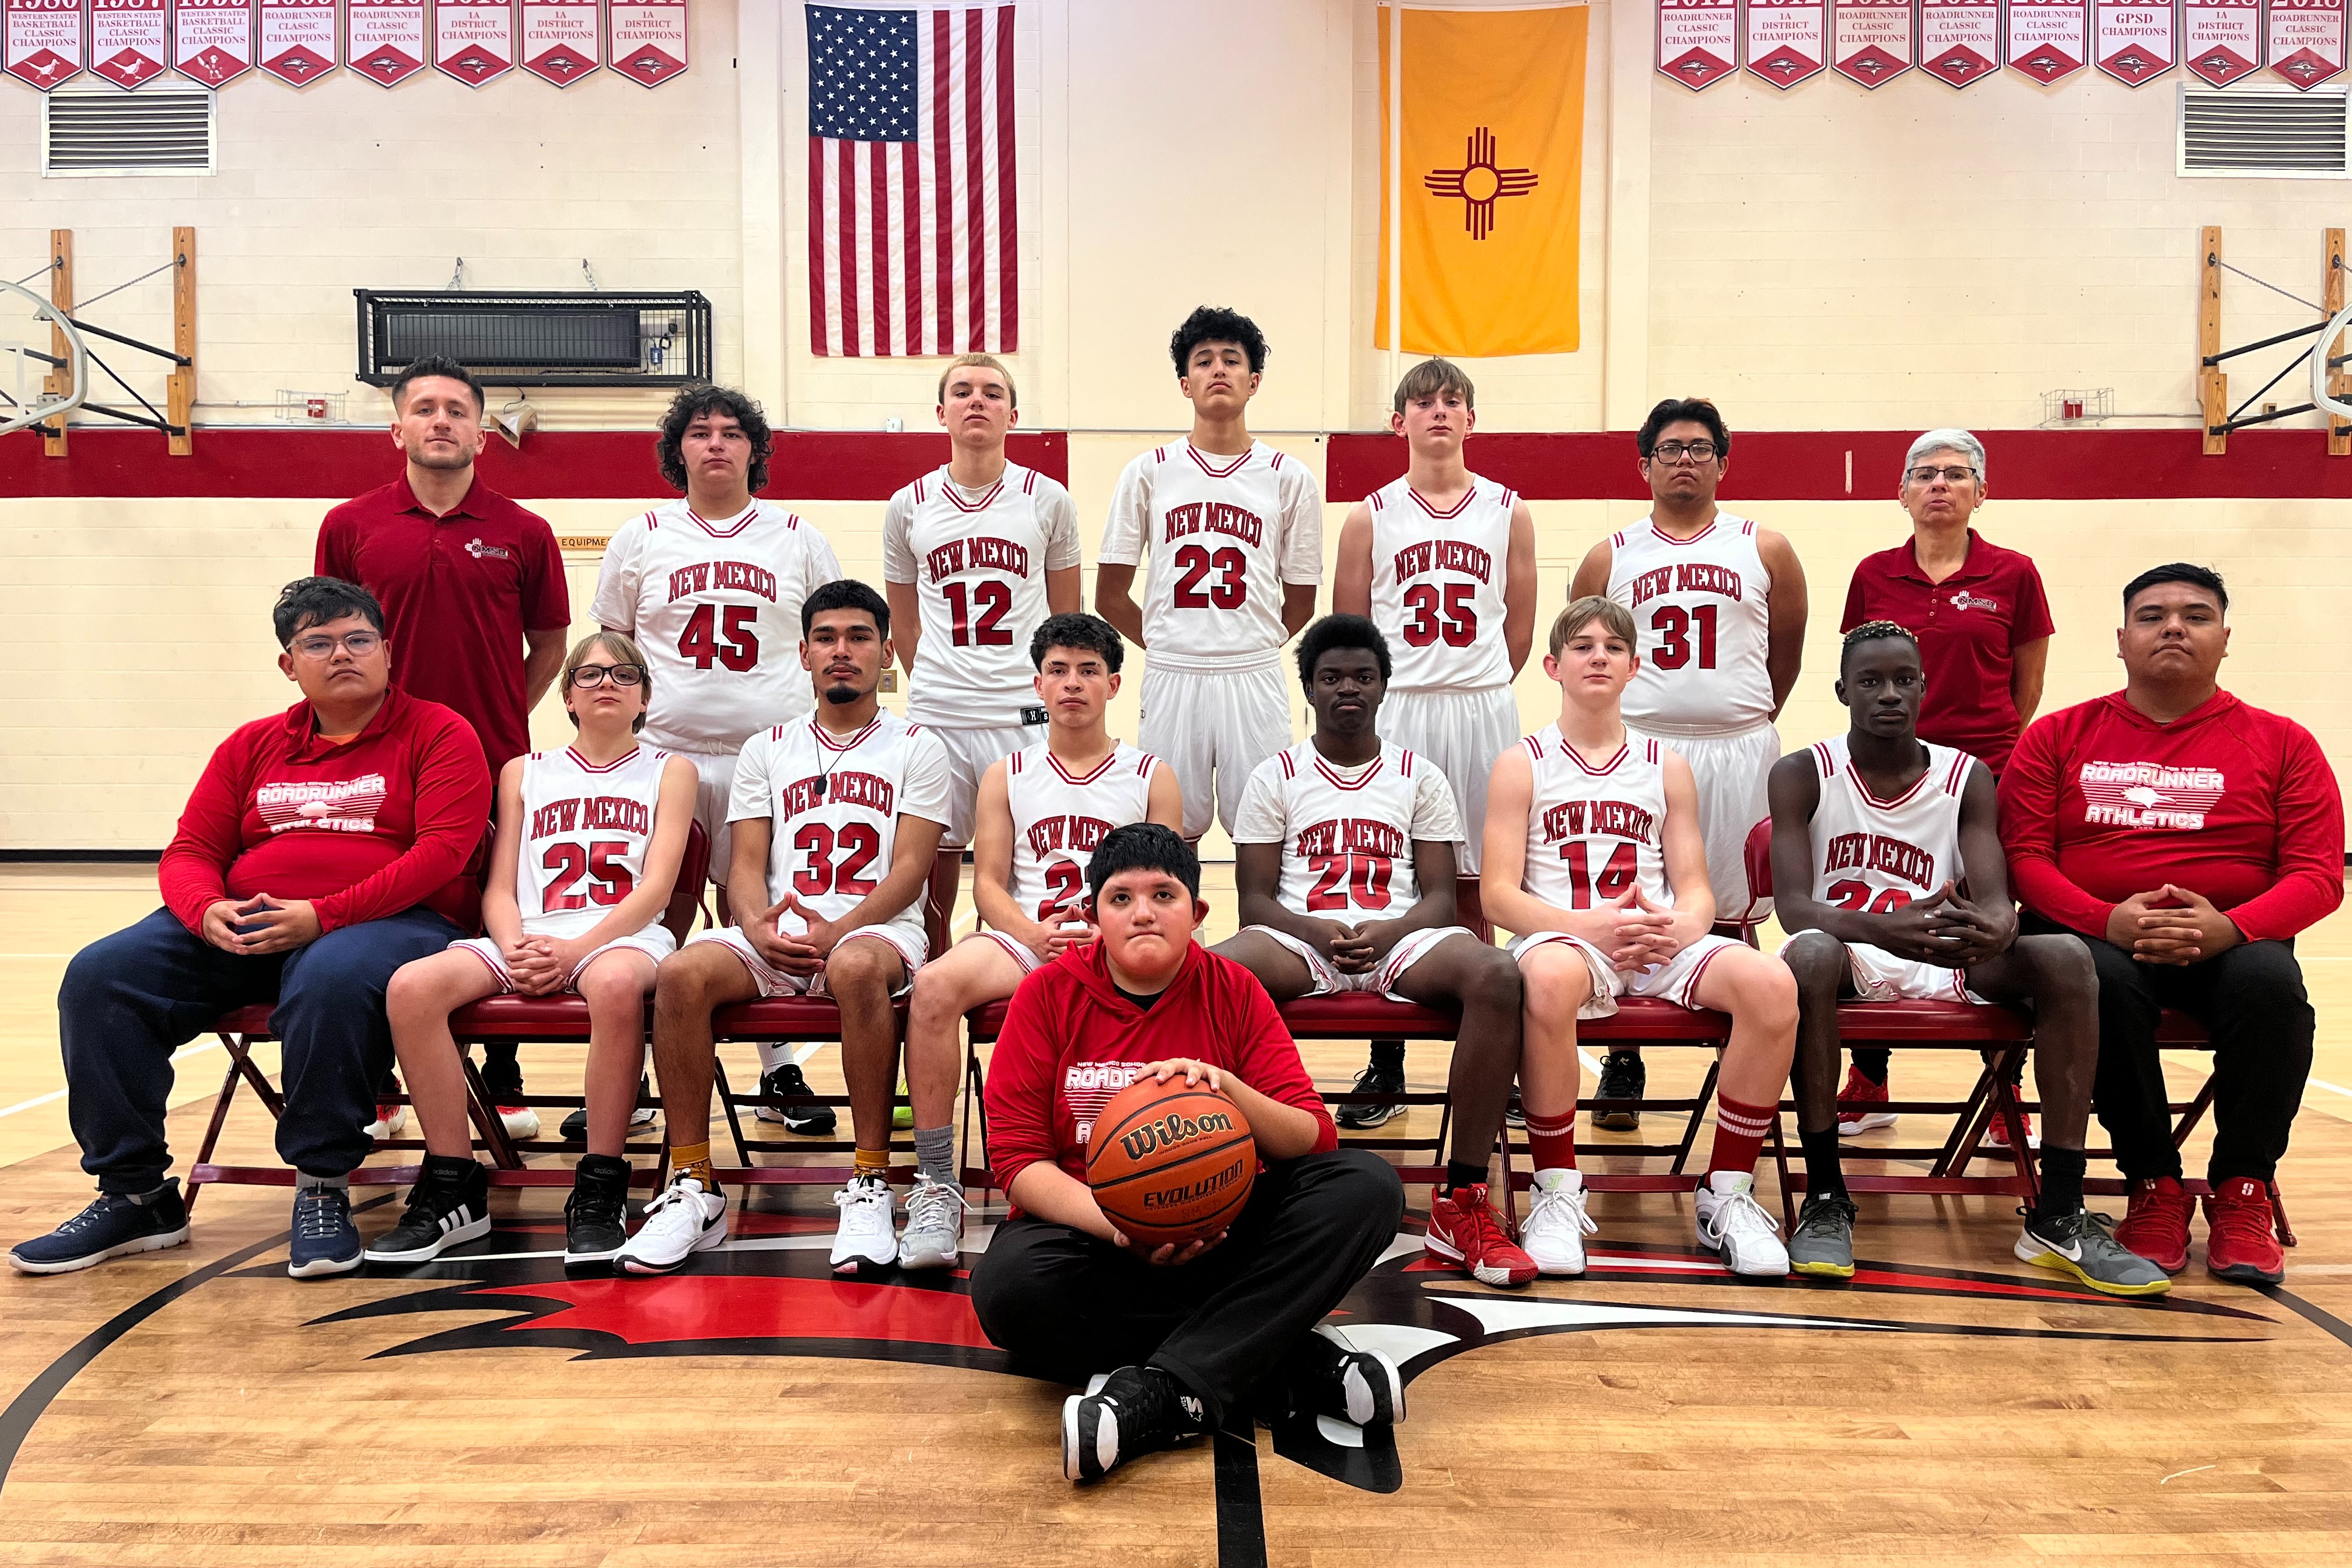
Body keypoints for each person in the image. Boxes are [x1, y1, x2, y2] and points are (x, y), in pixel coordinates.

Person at [11, 578, 491, 1279]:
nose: (342, 654)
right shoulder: (252, 744)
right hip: (249, 924)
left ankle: (323, 1185)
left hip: (394, 924)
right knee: (102, 975)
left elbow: (442, 853)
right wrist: (205, 910)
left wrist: (323, 915)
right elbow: (190, 851)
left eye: (359, 640)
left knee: (331, 975)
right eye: (318, 644)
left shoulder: (440, 732)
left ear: (389, 651)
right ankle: (136, 1194)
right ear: (288, 664)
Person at [970, 824, 1407, 1481]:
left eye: (1163, 895)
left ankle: (1169, 1395)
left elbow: (1315, 1136)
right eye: (1121, 899)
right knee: (1006, 1290)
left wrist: (1230, 1089)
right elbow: (1018, 1162)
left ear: (1198, 914)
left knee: (1366, 1187)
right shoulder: (1046, 995)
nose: (1143, 912)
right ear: (1092, 916)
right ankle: (1278, 1358)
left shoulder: (1233, 988)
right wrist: (1122, 1227)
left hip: (1224, 1232)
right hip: (1099, 1239)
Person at [1768, 624, 2166, 1294]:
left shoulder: (1966, 776)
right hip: (1848, 951)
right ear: (1842, 691)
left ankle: (2059, 1211)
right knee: (1806, 954)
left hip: (1947, 954)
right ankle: (1826, 1196)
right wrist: (1882, 929)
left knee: (2068, 956)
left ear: (1924, 687)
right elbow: (1795, 909)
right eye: (1870, 681)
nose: (1889, 694)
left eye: (1903, 680)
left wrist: (1998, 925)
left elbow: (1994, 897)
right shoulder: (1803, 771)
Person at [2001, 564, 2344, 1286]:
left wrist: (2233, 928)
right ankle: (2152, 1185)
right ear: (2122, 641)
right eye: (2153, 617)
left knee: (2273, 985)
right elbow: (2025, 858)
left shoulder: (2285, 742)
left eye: (2196, 615)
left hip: (2231, 941)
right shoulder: (2056, 737)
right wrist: (2105, 919)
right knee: (2098, 981)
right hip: (2096, 938)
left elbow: (2317, 875)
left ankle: (2243, 1190)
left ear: (2225, 640)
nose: (2175, 628)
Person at [615, 580, 953, 1278]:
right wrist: (752, 922)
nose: (842, 651)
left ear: (887, 652)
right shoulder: (766, 748)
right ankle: (694, 1184)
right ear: (802, 653)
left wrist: (841, 930)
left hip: (878, 928)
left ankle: (868, 1180)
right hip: (779, 932)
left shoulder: (918, 746)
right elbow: (744, 866)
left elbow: (913, 869)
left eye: (859, 637)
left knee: (857, 968)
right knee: (680, 974)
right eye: (826, 638)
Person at [1480, 597, 1798, 1278]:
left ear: (1634, 668)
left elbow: (1696, 887)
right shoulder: (1522, 762)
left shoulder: (1666, 764)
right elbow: (1499, 895)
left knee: (1773, 985)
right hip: (1565, 938)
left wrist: (1676, 930)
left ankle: (1728, 1194)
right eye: (1583, 646)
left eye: (1614, 648)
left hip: (1656, 942)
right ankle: (1557, 1190)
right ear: (1553, 666)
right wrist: (1591, 925)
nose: (1599, 656)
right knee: (1545, 980)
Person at [1212, 615, 1532, 1287]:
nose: (1347, 689)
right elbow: (1256, 902)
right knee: (1220, 971)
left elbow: (1442, 900)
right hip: (1302, 938)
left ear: (1384, 686)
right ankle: (1226, 1176)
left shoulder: (1420, 775)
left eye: (1362, 676)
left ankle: (1464, 1200)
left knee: (1498, 973)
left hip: (1399, 938)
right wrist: (1317, 932)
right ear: (1309, 689)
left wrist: (1384, 934)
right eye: (1331, 678)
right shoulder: (1276, 775)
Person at [367, 632, 697, 1269]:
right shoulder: (524, 770)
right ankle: (453, 1183)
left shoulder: (670, 770)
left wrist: (576, 951)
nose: (607, 682)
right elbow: (498, 885)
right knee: (412, 987)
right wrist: (516, 947)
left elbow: (657, 885)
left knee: (614, 985)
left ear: (645, 698)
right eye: (591, 673)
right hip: (529, 932)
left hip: (622, 935)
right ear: (568, 696)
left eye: (625, 674)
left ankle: (601, 1183)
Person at [317, 355, 570, 1139]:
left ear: (482, 434)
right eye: (424, 408)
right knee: (383, 909)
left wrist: (486, 726)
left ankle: (501, 1074)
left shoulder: (524, 531)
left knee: (490, 907)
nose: (440, 421)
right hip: (375, 758)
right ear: (397, 428)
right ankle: (383, 1083)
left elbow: (550, 645)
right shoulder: (350, 525)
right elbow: (327, 639)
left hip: (494, 758)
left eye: (457, 410)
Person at [592, 384, 845, 1139]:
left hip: (767, 759)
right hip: (664, 757)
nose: (715, 444)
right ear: (678, 450)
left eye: (732, 433)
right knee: (654, 913)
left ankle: (779, 1070)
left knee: (760, 912)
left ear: (754, 452)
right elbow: (612, 652)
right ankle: (629, 1074)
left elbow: (835, 636)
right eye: (699, 432)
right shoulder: (639, 536)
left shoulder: (797, 536)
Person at [901, 613, 1182, 1263]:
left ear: (1114, 684)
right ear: (1038, 683)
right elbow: (988, 885)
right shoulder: (1007, 773)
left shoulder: (1149, 774)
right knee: (936, 984)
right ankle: (939, 1185)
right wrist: (1031, 933)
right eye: (1058, 671)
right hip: (1029, 937)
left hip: (1120, 944)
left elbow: (1169, 885)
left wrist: (1110, 938)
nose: (1072, 684)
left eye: (1088, 671)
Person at [1569, 398, 1807, 1128]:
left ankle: (1744, 1054)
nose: (1685, 460)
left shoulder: (1765, 547)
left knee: (1733, 911)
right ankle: (1624, 1060)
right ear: (1644, 465)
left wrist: (1744, 712)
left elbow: (1784, 658)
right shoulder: (1610, 555)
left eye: (1701, 449)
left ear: (1723, 463)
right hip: (1638, 747)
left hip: (1737, 746)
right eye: (1670, 449)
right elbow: (1590, 653)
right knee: (1634, 905)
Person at [1330, 358, 1537, 1128]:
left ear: (1472, 419)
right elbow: (1351, 635)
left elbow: (1517, 627)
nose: (1440, 412)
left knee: (1487, 883)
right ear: (1400, 422)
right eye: (1424, 402)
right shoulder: (1370, 515)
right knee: (1394, 882)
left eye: (1454, 401)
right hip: (1403, 708)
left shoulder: (1509, 510)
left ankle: (1489, 1060)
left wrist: (1476, 683)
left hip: (1481, 705)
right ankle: (1386, 1063)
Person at [1836, 430, 2056, 1136]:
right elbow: (1862, 668)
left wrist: (1975, 761)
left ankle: (2003, 1088)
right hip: (1891, 773)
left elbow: (2028, 686)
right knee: (1883, 901)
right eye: (1924, 474)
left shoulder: (2015, 573)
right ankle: (1869, 1077)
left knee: (1995, 920)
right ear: (1901, 493)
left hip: (1986, 772)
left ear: (1980, 492)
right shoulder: (1874, 573)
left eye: (1956, 475)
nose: (1939, 485)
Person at [1095, 306, 1322, 843]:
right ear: (1185, 383)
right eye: (1203, 361)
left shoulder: (1290, 477)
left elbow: (1303, 602)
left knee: (1265, 828)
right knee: (1169, 829)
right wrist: (1173, 641)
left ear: (1254, 381)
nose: (1218, 369)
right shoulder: (1148, 472)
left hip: (1255, 673)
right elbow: (1110, 594)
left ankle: (1260, 932)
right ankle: (1177, 931)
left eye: (1231, 359)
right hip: (1174, 672)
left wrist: (1249, 641)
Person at [883, 353, 1084, 848]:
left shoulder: (1049, 499)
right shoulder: (908, 505)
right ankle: (930, 934)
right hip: (939, 710)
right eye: (962, 391)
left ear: (1012, 416)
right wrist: (939, 680)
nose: (977, 400)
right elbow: (904, 624)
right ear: (941, 412)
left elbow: (1067, 622)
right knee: (932, 857)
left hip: (1022, 708)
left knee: (1032, 849)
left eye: (993, 393)